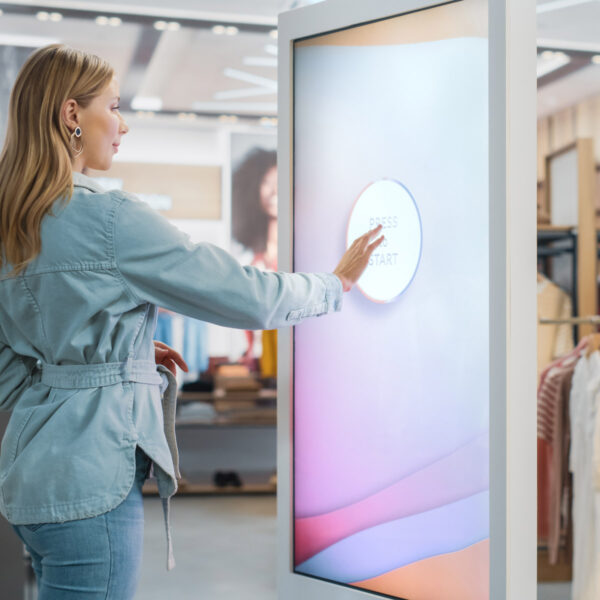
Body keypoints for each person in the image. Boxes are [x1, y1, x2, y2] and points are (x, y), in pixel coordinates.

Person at [0, 45, 384, 599]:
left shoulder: (14, 223)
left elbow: (10, 373)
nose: (123, 124)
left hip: (29, 475)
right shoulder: (109, 220)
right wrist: (335, 283)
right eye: (113, 106)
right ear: (70, 116)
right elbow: (244, 295)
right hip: (90, 482)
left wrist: (117, 355)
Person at [231, 148, 278, 372]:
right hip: (259, 362)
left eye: (280, 181)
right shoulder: (252, 262)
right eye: (267, 183)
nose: (275, 191)